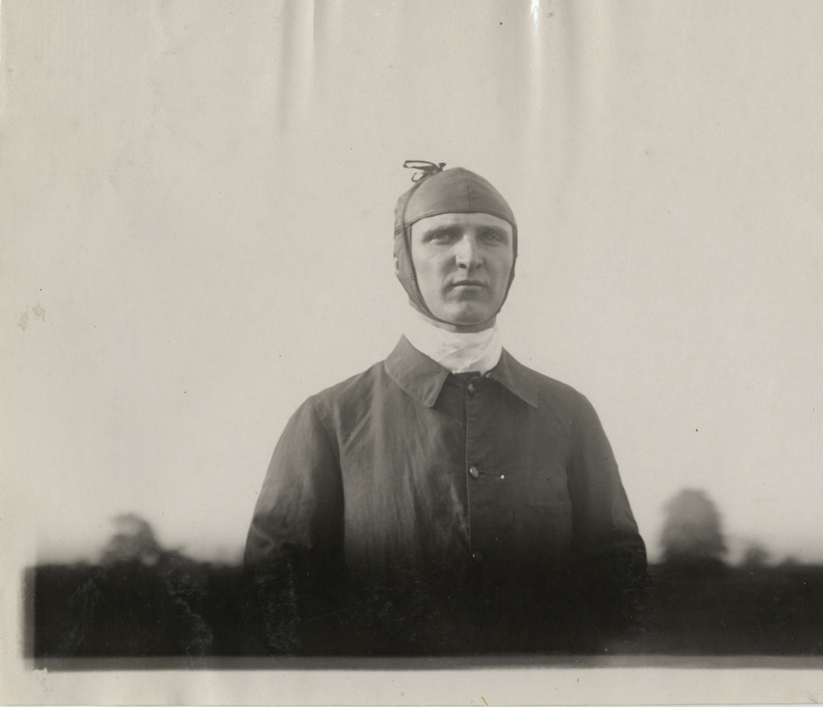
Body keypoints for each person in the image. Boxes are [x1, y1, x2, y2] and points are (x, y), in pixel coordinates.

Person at [243, 161, 647, 656]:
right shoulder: (328, 420)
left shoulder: (570, 414)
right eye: (442, 236)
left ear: (514, 260)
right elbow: (277, 608)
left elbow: (619, 590)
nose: (470, 257)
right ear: (403, 259)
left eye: (492, 238)